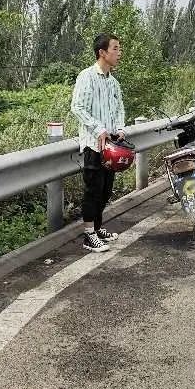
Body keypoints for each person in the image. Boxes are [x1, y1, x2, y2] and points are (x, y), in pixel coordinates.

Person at [70, 33, 126, 252]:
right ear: (102, 52)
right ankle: (88, 235)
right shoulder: (87, 76)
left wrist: (120, 127)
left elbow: (119, 107)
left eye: (119, 49)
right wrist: (98, 128)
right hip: (94, 144)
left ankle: (97, 227)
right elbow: (77, 107)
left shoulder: (113, 82)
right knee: (93, 190)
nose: (119, 53)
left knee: (106, 189)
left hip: (111, 145)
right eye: (115, 48)